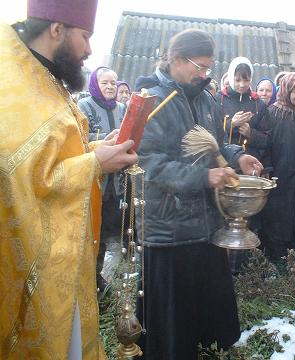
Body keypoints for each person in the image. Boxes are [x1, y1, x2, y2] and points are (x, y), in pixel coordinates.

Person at [0, 0, 138, 358]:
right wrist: (93, 164)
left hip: (64, 256)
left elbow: (50, 151)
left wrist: (94, 148)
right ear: (57, 29)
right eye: (85, 36)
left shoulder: (43, 74)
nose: (90, 49)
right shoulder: (9, 81)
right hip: (29, 258)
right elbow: (15, 177)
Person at [134, 29, 263, 360]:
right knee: (172, 325)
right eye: (200, 67)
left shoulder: (204, 98)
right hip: (168, 229)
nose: (205, 75)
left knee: (203, 308)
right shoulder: (150, 100)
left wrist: (235, 155)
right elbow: (149, 165)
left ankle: (204, 347)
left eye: (209, 68)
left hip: (204, 222)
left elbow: (214, 144)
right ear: (176, 59)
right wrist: (204, 176)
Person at [78, 66, 127, 291]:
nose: (110, 87)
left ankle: (99, 279)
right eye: (105, 82)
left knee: (107, 231)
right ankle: (90, 280)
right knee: (91, 232)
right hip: (93, 180)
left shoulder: (121, 108)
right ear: (96, 84)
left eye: (113, 83)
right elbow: (77, 138)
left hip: (115, 182)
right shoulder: (84, 106)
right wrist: (102, 139)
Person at [260, 72, 295, 261]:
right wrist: (268, 168)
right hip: (281, 172)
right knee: (279, 212)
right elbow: (266, 143)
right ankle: (277, 254)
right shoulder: (274, 112)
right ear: (286, 91)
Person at [216, 57, 269, 163]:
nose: (242, 84)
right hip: (224, 164)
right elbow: (211, 133)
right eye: (238, 80)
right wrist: (231, 124)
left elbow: (268, 140)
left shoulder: (258, 104)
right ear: (231, 77)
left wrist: (251, 133)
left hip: (251, 163)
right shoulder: (218, 99)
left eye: (246, 80)